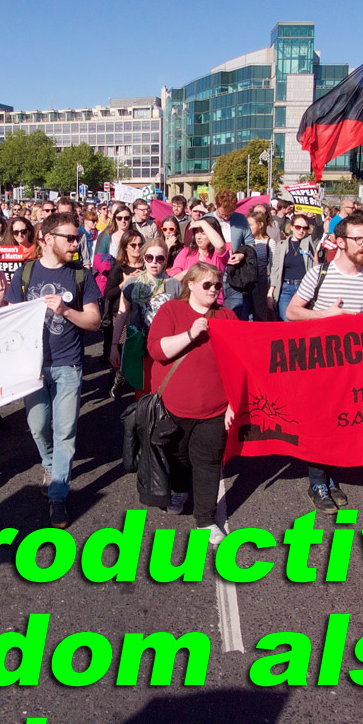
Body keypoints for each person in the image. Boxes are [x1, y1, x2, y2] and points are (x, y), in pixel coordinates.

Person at [4, 213, 102, 529]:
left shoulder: (80, 276)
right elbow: (7, 320)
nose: (76, 243)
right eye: (70, 238)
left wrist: (65, 310)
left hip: (69, 365)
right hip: (33, 368)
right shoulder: (25, 274)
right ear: (48, 239)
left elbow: (94, 322)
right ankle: (49, 463)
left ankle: (58, 496)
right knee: (37, 425)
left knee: (66, 433)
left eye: (78, 238)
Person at [285, 215, 363, 513]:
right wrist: (324, 317)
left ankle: (332, 478)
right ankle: (317, 481)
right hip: (319, 365)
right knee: (320, 423)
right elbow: (292, 312)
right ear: (340, 242)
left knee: (343, 425)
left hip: (353, 367)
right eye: (359, 239)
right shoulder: (320, 273)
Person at [146, 262, 240, 540]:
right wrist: (190, 334)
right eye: (207, 285)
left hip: (214, 408)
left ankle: (206, 519)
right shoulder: (171, 310)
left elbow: (238, 363)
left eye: (217, 286)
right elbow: (157, 350)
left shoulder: (227, 315)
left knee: (208, 462)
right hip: (172, 407)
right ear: (190, 284)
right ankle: (181, 489)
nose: (213, 290)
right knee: (177, 457)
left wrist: (233, 403)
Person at [110, 239, 182, 397]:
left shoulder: (175, 285)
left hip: (166, 346)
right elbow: (122, 317)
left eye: (160, 258)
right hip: (139, 346)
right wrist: (115, 346)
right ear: (144, 258)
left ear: (165, 260)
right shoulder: (132, 284)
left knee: (164, 391)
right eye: (150, 257)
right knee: (142, 392)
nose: (154, 262)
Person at [104, 229, 146, 398]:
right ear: (125, 247)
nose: (137, 248)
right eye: (133, 245)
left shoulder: (147, 264)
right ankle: (118, 378)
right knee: (121, 348)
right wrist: (126, 282)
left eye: (140, 244)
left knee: (137, 349)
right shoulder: (118, 267)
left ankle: (135, 380)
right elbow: (109, 293)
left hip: (140, 315)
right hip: (121, 315)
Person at [267, 214, 318, 321]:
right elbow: (275, 270)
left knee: (301, 322)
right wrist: (270, 292)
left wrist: (318, 213)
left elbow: (319, 229)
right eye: (298, 227)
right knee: (285, 320)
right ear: (291, 227)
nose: (301, 231)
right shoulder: (282, 245)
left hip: (303, 289)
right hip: (285, 288)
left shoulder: (308, 243)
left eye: (305, 228)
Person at [209, 190, 250, 319]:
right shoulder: (207, 220)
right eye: (222, 214)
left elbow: (250, 243)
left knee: (235, 316)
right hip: (214, 273)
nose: (225, 218)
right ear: (216, 205)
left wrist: (241, 255)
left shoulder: (240, 219)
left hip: (234, 275)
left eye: (229, 214)